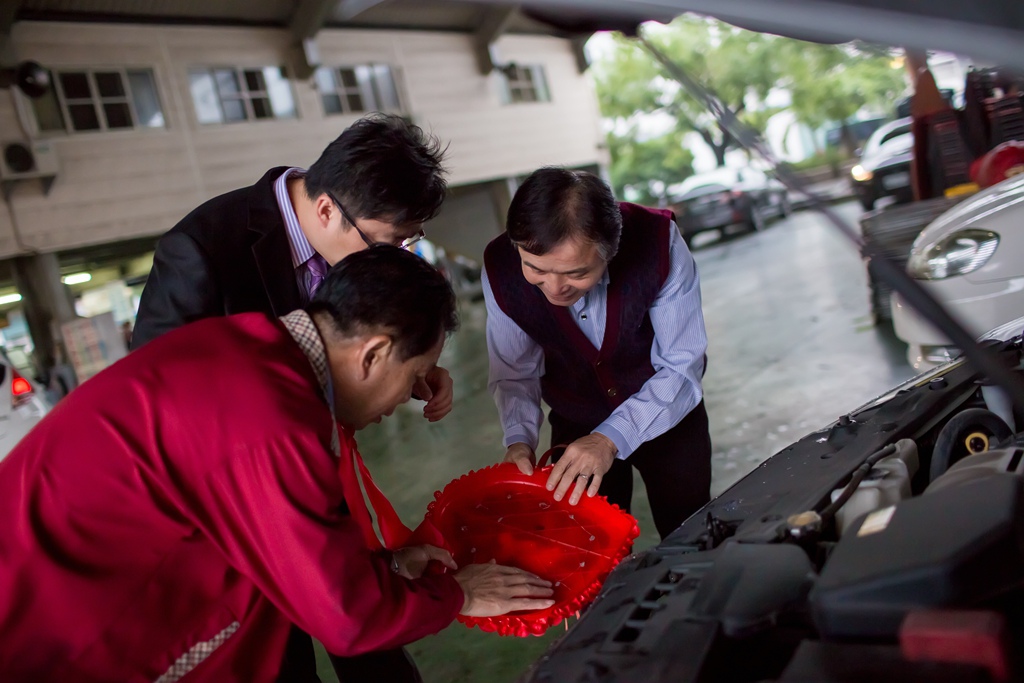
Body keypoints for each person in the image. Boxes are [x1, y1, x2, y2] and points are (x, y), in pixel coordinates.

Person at [0, 247, 554, 683]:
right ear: (373, 354)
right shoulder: (272, 421)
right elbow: (347, 618)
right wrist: (461, 593)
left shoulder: (246, 347)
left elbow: (278, 547)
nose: (404, 398)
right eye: (414, 375)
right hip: (49, 623)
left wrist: (385, 567)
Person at [132, 112, 453, 423]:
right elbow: (156, 385)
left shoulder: (346, 244)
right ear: (327, 210)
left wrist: (408, 365)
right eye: (388, 243)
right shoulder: (202, 249)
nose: (393, 257)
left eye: (406, 241)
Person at [483, 167, 712, 540]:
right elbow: (514, 371)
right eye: (535, 268)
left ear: (611, 250)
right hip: (575, 421)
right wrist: (519, 440)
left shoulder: (658, 241)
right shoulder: (499, 267)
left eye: (576, 273)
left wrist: (610, 438)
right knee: (589, 545)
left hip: (669, 412)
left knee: (689, 532)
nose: (554, 288)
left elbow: (682, 364)